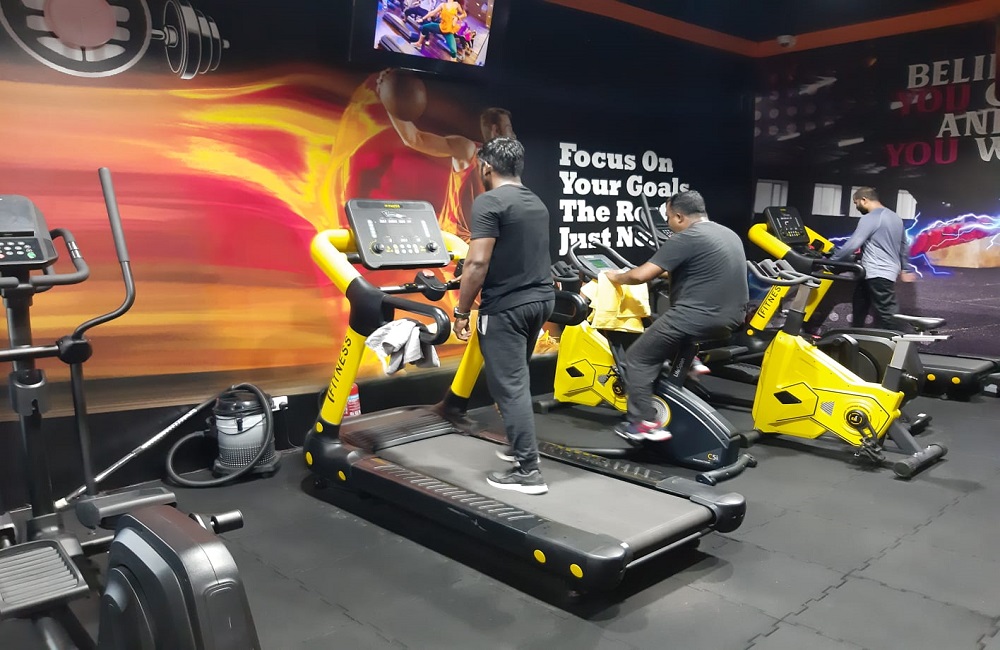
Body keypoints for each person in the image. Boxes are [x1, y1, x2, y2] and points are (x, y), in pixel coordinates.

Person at [452, 137, 555, 495]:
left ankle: (528, 471)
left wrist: (461, 310)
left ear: (486, 167)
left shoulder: (490, 201)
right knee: (517, 380)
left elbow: (477, 262)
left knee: (509, 387)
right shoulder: (535, 201)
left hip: (507, 308)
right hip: (540, 302)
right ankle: (518, 445)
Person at [605, 191, 749, 441]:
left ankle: (643, 424)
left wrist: (615, 276)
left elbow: (639, 276)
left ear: (680, 217)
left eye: (669, 217)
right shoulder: (728, 234)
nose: (668, 223)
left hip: (696, 317)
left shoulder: (687, 237)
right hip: (732, 318)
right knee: (663, 328)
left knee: (637, 358)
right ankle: (692, 362)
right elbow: (697, 269)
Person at [830, 187, 917, 329]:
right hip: (875, 272)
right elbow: (903, 246)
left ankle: (899, 340)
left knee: (888, 313)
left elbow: (853, 244)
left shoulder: (871, 217)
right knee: (859, 306)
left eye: (856, 203)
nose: (856, 207)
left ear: (864, 200)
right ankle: (856, 336)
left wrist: (831, 262)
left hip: (877, 271)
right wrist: (905, 268)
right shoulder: (895, 217)